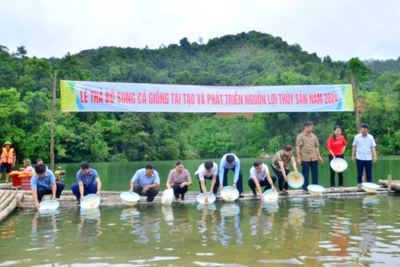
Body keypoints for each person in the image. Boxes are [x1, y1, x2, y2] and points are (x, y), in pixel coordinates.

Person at [296, 121, 324, 193]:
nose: (311, 129)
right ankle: (305, 189)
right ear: (306, 127)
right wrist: (299, 158)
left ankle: (315, 188)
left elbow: (316, 146)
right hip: (305, 158)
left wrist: (319, 156)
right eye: (310, 128)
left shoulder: (313, 136)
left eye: (312, 128)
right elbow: (298, 147)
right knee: (305, 174)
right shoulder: (300, 136)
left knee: (315, 174)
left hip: (314, 158)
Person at [351, 123, 377, 188]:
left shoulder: (371, 137)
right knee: (359, 172)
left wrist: (375, 156)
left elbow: (373, 147)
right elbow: (354, 146)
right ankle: (359, 184)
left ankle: (369, 185)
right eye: (362, 132)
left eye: (365, 132)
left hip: (368, 157)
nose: (363, 133)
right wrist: (353, 155)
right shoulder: (357, 137)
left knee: (369, 172)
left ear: (368, 131)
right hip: (359, 157)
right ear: (360, 130)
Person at [327, 125, 347, 190]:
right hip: (332, 156)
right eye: (337, 131)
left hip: (340, 156)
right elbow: (329, 148)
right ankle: (332, 186)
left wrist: (342, 151)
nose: (338, 132)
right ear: (334, 131)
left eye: (340, 131)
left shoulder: (342, 137)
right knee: (332, 171)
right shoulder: (330, 138)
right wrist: (333, 156)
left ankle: (341, 185)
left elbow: (345, 144)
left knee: (340, 171)